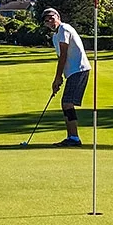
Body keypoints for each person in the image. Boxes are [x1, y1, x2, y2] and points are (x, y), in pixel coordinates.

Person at [42, 8, 90, 147]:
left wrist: (57, 78)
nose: (49, 22)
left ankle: (74, 138)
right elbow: (60, 57)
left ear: (58, 16)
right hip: (72, 72)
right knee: (66, 103)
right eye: (46, 21)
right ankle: (71, 137)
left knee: (67, 103)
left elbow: (64, 55)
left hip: (79, 69)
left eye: (51, 18)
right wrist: (60, 78)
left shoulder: (64, 28)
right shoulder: (55, 36)